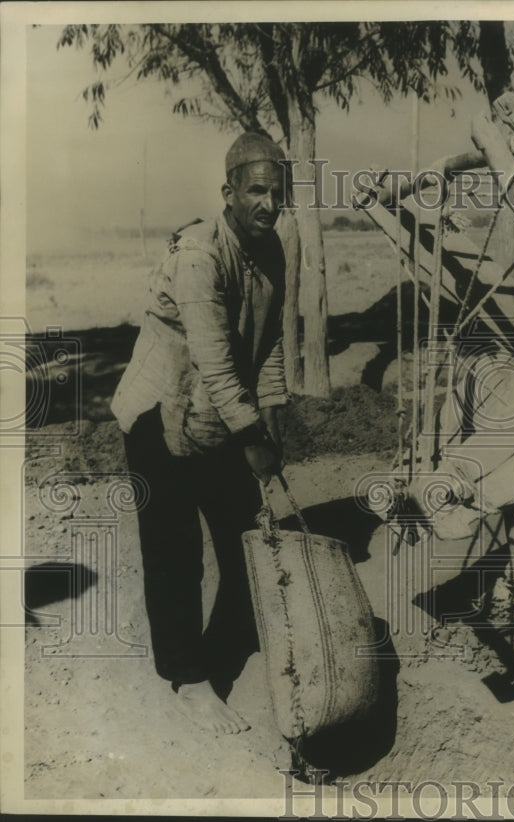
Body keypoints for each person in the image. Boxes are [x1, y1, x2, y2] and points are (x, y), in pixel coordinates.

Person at [111, 132, 290, 734]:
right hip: (158, 414)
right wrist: (253, 435)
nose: (268, 203)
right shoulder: (198, 253)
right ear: (230, 192)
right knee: (175, 553)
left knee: (247, 539)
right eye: (256, 191)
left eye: (277, 192)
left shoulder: (271, 252)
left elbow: (266, 347)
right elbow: (214, 360)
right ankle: (188, 679)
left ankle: (219, 654)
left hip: (215, 416)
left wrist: (275, 413)